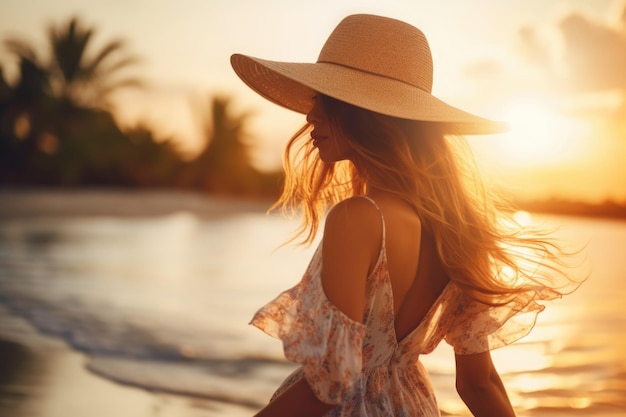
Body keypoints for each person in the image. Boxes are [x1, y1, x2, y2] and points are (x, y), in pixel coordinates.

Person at [230, 14, 578, 417]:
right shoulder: (459, 229)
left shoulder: (357, 219)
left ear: (367, 114)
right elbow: (479, 384)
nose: (311, 116)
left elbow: (330, 383)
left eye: (325, 99)